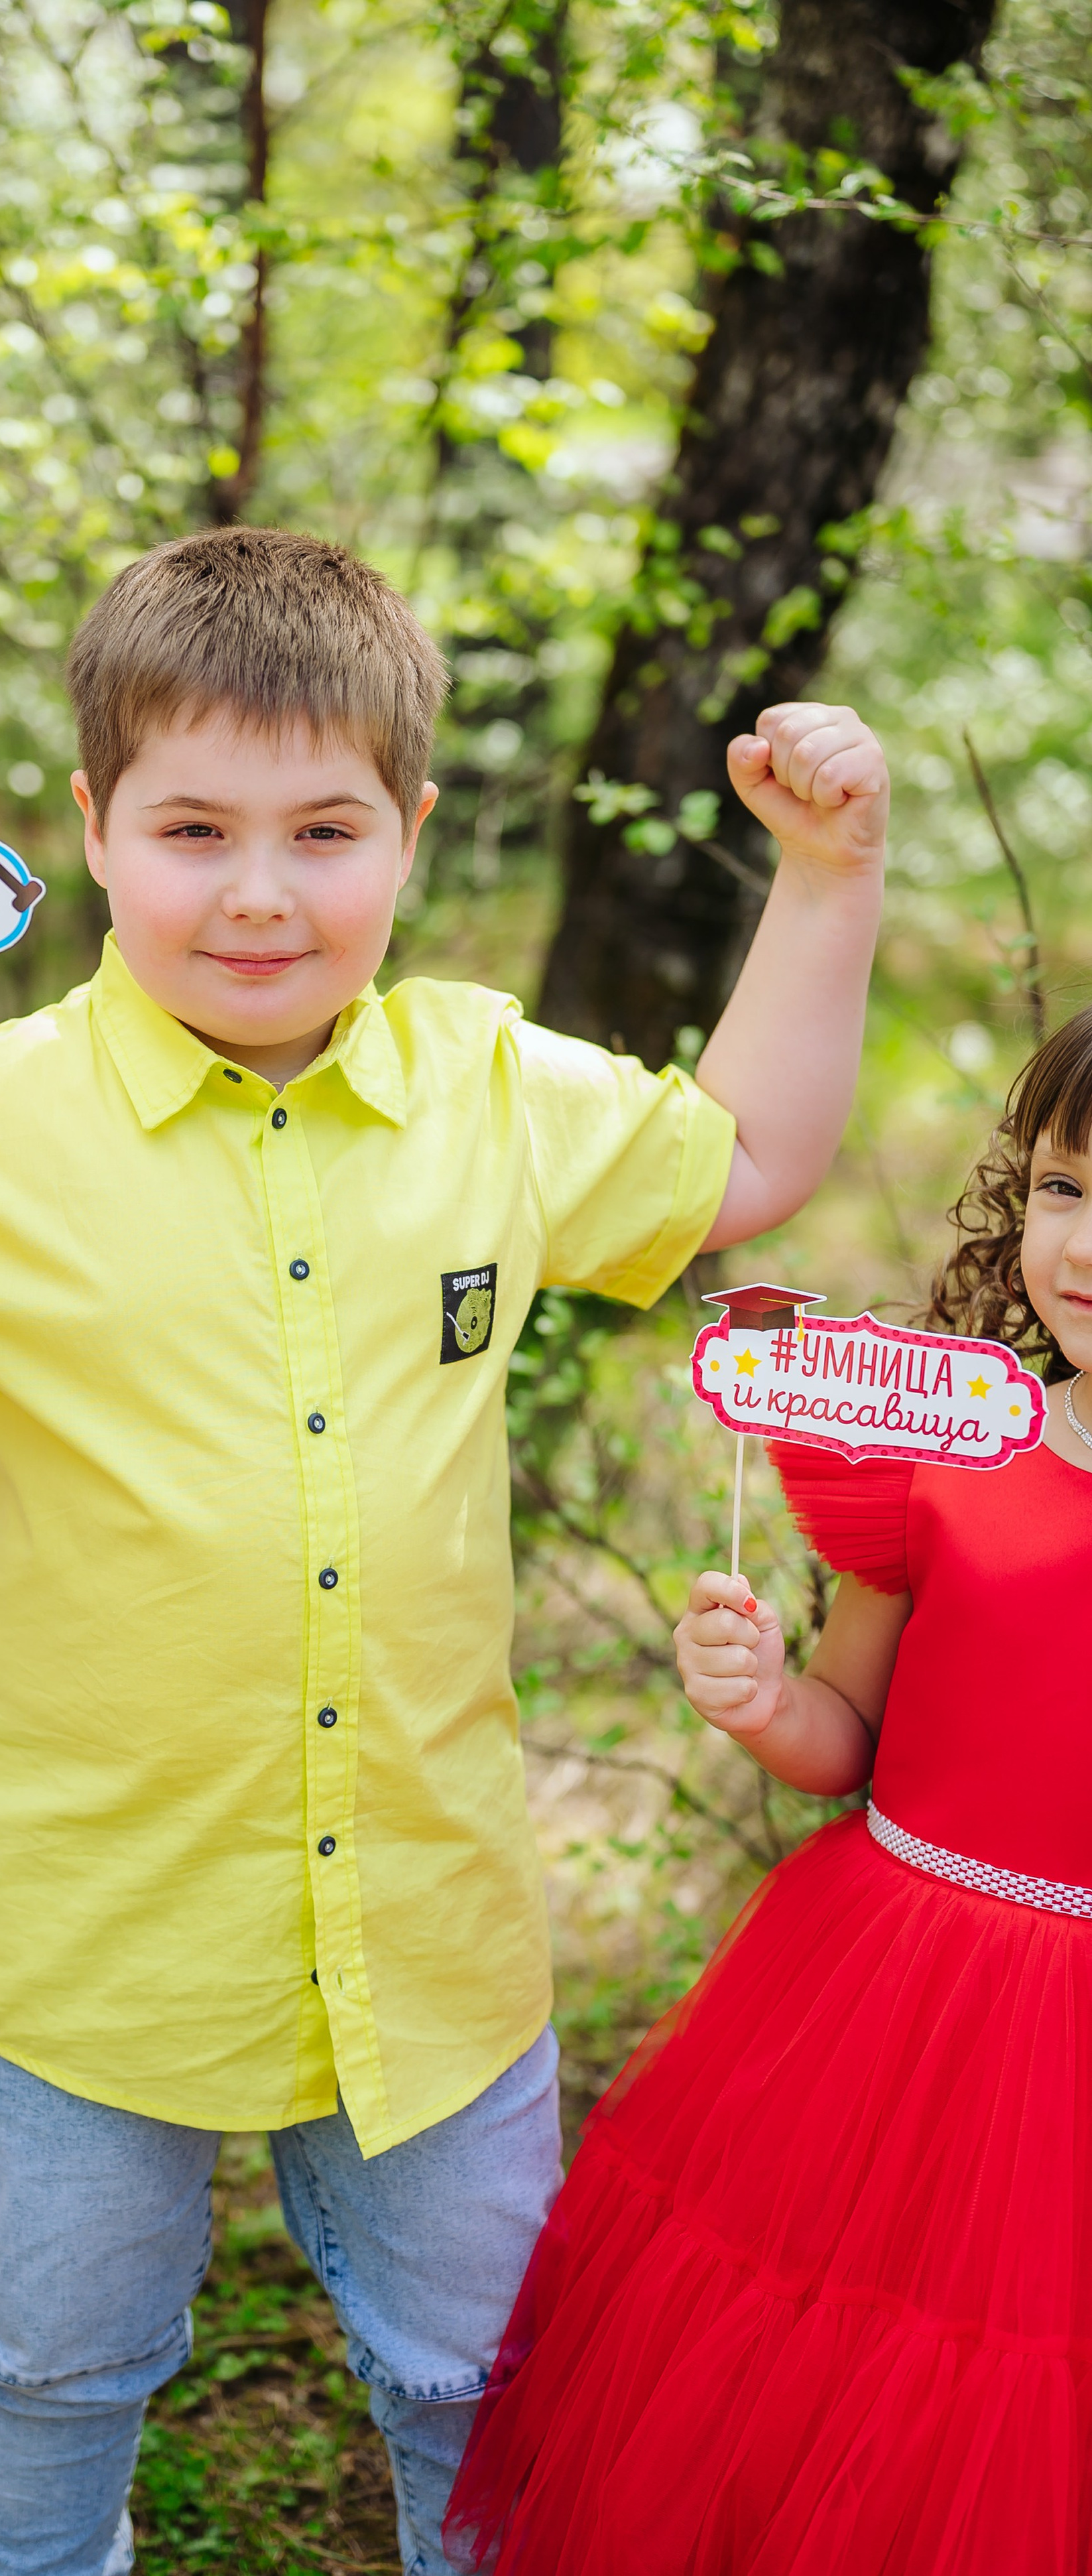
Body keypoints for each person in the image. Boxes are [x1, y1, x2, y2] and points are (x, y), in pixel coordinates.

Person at [0, 525, 889, 2576]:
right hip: (89, 1937)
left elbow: (753, 1160)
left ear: (411, 831)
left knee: (483, 2385)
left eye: (326, 828)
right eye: (194, 828)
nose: (259, 889)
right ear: (91, 825)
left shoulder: (489, 1087)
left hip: (426, 1931)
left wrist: (828, 875)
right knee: (57, 2370)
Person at [444, 1006, 1092, 2576]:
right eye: (1068, 1186)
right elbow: (846, 1738)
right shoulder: (950, 1447)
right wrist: (762, 1699)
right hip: (892, 1997)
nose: (1084, 1241)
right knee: (843, 2377)